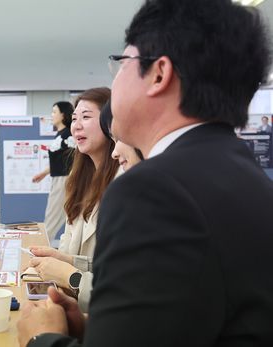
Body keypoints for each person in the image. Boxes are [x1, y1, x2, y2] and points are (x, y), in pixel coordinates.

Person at [18, 0, 273, 346]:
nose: (116, 80)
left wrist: (41, 338)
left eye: (122, 64)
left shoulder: (154, 190)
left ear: (158, 74)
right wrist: (92, 329)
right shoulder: (245, 175)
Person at [28, 93, 119, 312]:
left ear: (112, 124)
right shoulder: (80, 183)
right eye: (75, 118)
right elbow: (88, 258)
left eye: (86, 117)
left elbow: (118, 279)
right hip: (74, 305)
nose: (76, 126)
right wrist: (61, 259)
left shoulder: (123, 186)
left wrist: (68, 273)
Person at [32, 101, 74, 240]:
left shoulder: (69, 134)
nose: (52, 115)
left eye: (54, 111)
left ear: (63, 115)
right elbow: (60, 161)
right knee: (60, 216)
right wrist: (43, 173)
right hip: (59, 179)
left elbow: (75, 160)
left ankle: (42, 248)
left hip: (65, 180)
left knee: (52, 216)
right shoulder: (61, 135)